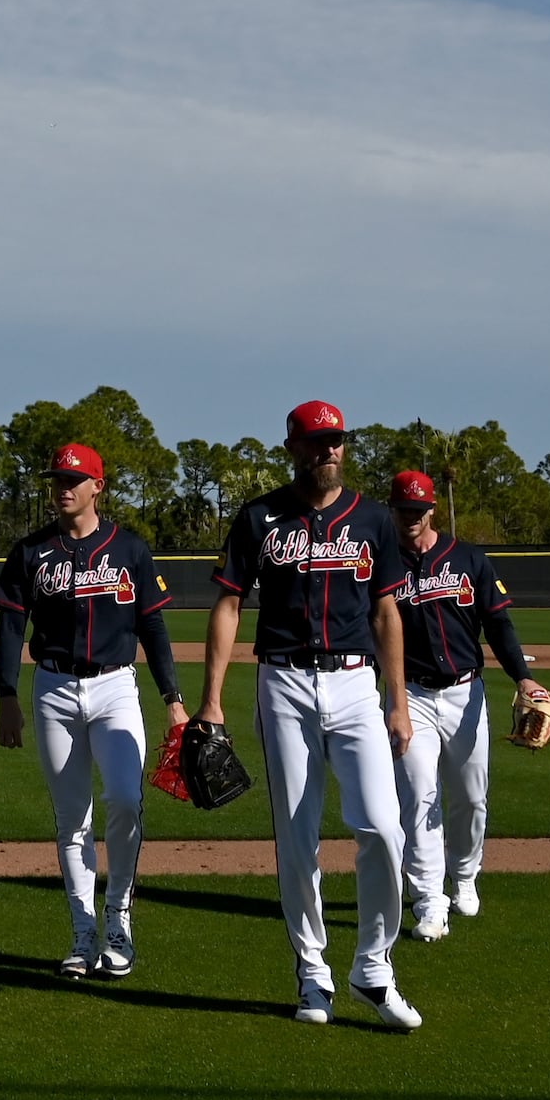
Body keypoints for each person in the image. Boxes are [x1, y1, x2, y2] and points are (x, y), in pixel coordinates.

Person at [201, 401, 420, 1030]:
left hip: (356, 685)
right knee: (297, 838)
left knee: (383, 828)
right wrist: (212, 698)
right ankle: (313, 970)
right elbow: (228, 605)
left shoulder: (374, 520)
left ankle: (373, 967)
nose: (330, 450)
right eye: (318, 441)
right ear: (293, 446)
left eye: (338, 440)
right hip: (284, 681)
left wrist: (399, 702)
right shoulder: (259, 517)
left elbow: (386, 614)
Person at [0, 442, 186, 981]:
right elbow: (11, 627)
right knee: (70, 819)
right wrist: (6, 695)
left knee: (125, 798)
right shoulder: (31, 551)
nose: (64, 487)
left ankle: (118, 915)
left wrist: (173, 700)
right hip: (52, 688)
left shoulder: (130, 549)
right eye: (58, 478)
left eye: (75, 479)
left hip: (115, 687)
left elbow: (154, 629)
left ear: (97, 486)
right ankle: (82, 932)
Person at [377, 468, 550, 939]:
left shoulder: (470, 559)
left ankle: (466, 874)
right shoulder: (381, 564)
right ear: (392, 510)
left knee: (471, 798)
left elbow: (499, 625)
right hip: (408, 695)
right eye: (402, 509)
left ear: (432, 509)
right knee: (417, 799)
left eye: (418, 509)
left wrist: (525, 679)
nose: (411, 517)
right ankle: (430, 901)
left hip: (464, 692)